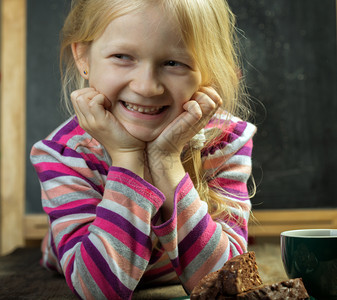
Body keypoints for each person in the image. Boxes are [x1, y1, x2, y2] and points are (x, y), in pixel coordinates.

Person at [30, 0, 257, 299]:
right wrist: (127, 158)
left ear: (208, 70)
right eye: (122, 56)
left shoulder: (225, 139)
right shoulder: (65, 154)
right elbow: (97, 290)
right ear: (83, 57)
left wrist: (166, 161)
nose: (147, 87)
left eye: (174, 63)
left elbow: (227, 284)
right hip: (76, 259)